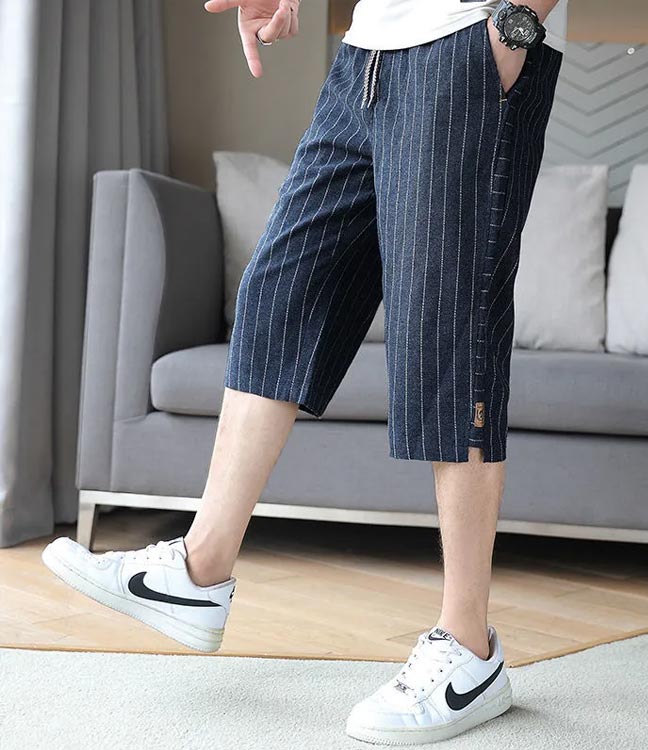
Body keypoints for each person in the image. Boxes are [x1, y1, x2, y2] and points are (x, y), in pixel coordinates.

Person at [42, 0, 566, 743]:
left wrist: (514, 23)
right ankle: (199, 571)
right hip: (366, 57)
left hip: (466, 49)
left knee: (446, 336)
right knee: (278, 293)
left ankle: (469, 649)